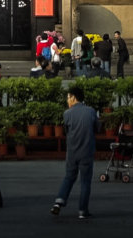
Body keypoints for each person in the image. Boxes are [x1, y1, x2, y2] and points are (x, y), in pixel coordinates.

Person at [50, 86, 100, 219]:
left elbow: (67, 131)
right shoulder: (91, 111)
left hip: (72, 151)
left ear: (73, 97)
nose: (67, 100)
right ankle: (83, 211)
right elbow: (97, 128)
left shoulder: (67, 114)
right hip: (86, 151)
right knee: (85, 181)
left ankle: (59, 201)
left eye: (68, 97)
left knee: (69, 176)